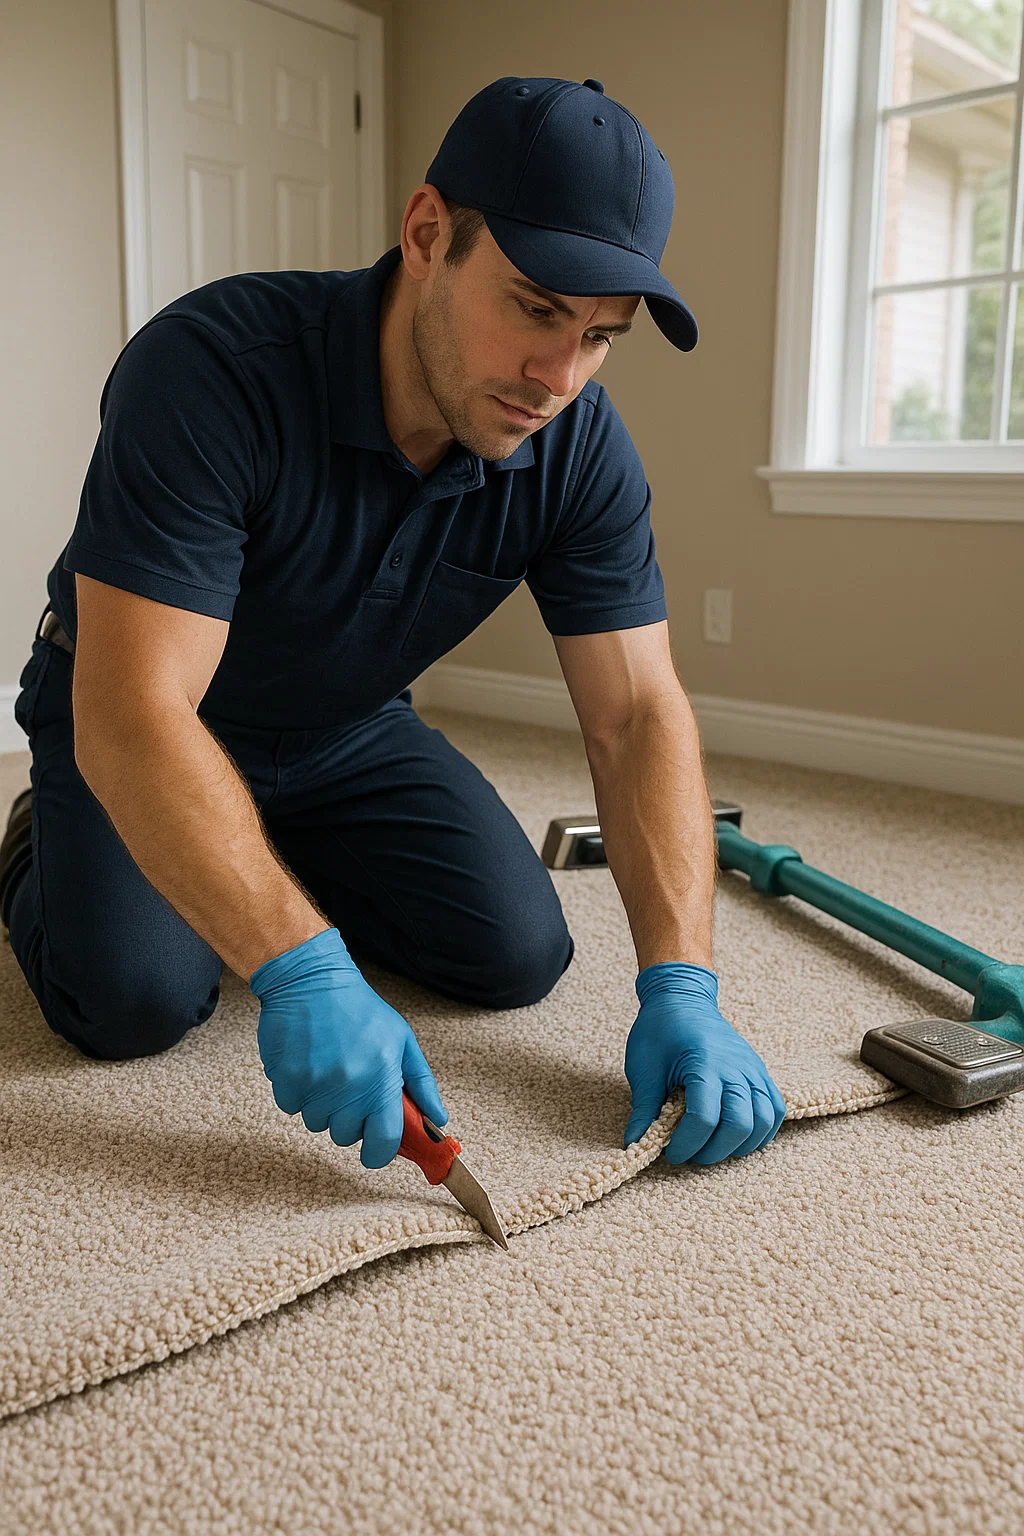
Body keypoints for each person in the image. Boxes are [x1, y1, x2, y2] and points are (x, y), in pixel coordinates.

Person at [0, 75, 786, 1171]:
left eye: (601, 337)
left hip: (348, 727)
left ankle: (267, 857)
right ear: (427, 233)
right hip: (144, 710)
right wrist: (300, 967)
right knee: (129, 1004)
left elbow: (638, 714)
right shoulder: (213, 369)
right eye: (536, 307)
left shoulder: (577, 446)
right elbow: (136, 707)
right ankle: (40, 836)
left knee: (517, 956)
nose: (558, 377)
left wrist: (684, 985)